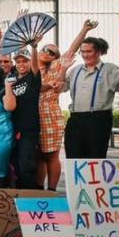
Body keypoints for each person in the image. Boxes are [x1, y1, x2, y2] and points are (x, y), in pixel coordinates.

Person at [62, 20, 119, 159]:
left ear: (98, 52)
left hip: (98, 119)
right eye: (83, 52)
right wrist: (63, 68)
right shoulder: (76, 70)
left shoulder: (110, 69)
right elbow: (59, 87)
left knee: (95, 158)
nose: (85, 55)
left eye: (89, 51)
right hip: (76, 119)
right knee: (73, 159)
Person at [10, 43, 43, 189]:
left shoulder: (33, 78)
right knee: (15, 164)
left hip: (29, 130)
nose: (21, 64)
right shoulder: (13, 81)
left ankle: (30, 196)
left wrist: (35, 48)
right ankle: (19, 194)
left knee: (26, 165)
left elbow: (36, 67)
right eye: (18, 61)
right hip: (13, 129)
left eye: (25, 61)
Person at [37, 43, 67, 190]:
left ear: (55, 58)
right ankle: (40, 190)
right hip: (32, 116)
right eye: (45, 49)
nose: (47, 53)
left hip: (50, 114)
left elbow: (71, 51)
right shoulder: (30, 65)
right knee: (39, 157)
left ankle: (52, 190)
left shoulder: (55, 68)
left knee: (51, 156)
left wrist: (84, 30)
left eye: (52, 53)